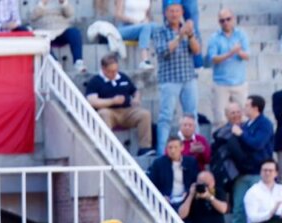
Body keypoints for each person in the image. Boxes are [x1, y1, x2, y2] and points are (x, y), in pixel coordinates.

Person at [84, 54, 154, 156]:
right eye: (110, 71)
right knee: (103, 114)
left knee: (144, 114)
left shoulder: (122, 77)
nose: (114, 73)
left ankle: (145, 148)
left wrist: (136, 99)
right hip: (109, 112)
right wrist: (112, 101)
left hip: (127, 111)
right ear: (103, 69)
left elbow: (135, 91)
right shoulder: (95, 81)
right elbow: (92, 101)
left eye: (115, 70)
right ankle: (107, 146)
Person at [229, 95, 276, 223]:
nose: (244, 108)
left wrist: (241, 134)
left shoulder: (265, 124)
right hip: (242, 173)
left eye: (247, 105)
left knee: (258, 208)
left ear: (256, 108)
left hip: (258, 173)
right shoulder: (246, 124)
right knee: (238, 209)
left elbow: (257, 144)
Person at [155, 2, 200, 150]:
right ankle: (162, 152)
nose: (174, 14)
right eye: (171, 11)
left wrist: (191, 35)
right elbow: (163, 51)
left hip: (188, 78)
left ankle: (195, 150)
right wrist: (180, 36)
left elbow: (196, 50)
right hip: (169, 80)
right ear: (166, 13)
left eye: (177, 11)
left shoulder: (188, 30)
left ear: (181, 13)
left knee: (192, 116)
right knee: (166, 117)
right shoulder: (160, 31)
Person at [178, 168, 246, 223]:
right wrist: (191, 195)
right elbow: (181, 214)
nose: (204, 186)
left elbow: (223, 209)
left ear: (213, 182)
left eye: (206, 183)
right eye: (201, 182)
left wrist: (209, 197)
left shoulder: (218, 192)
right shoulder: (192, 193)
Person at [205, 7, 247, 125]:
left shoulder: (241, 35)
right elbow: (213, 59)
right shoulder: (214, 38)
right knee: (220, 120)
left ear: (233, 19)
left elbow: (247, 55)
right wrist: (231, 53)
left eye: (228, 19)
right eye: (222, 20)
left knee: (243, 119)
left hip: (240, 83)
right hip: (220, 84)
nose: (225, 22)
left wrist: (239, 53)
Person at [30, 0, 84, 72]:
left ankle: (78, 62)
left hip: (61, 31)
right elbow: (32, 16)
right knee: (41, 40)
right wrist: (42, 4)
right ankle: (55, 63)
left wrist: (63, 3)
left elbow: (70, 13)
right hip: (44, 32)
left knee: (74, 32)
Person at [242, 159, 282, 223]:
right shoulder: (253, 192)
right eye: (264, 170)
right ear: (260, 172)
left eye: (270, 170)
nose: (267, 173)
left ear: (276, 173)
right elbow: (253, 218)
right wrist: (270, 213)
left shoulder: (280, 189)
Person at [148, 135, 199, 205]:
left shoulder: (191, 162)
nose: (173, 150)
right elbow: (152, 183)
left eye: (175, 147)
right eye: (170, 147)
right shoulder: (159, 163)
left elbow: (195, 181)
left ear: (182, 147)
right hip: (166, 200)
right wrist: (162, 196)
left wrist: (187, 193)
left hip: (186, 200)